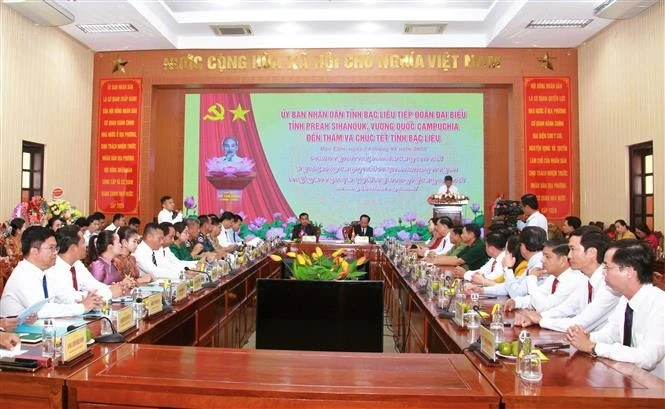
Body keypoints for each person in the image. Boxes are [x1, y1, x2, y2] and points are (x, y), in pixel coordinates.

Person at [566, 240, 664, 379]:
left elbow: (648, 358)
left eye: (607, 267)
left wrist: (593, 347)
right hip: (630, 380)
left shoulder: (659, 304)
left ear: (629, 271)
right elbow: (612, 334)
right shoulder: (625, 299)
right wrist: (585, 337)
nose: (603, 272)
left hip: (656, 388)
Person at [515, 226, 620, 333]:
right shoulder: (585, 278)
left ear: (591, 253)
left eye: (573, 249)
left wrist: (541, 320)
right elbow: (568, 308)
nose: (569, 255)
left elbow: (582, 324)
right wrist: (537, 317)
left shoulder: (610, 284)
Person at [0, 226, 102, 318]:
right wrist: (82, 307)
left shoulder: (44, 272)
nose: (55, 253)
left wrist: (85, 302)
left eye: (56, 248)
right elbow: (42, 311)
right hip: (16, 334)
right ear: (34, 251)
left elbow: (59, 300)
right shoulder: (23, 274)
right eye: (51, 248)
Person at [504, 238, 587, 314]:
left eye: (547, 257)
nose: (542, 260)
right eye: (543, 256)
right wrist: (516, 302)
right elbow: (538, 296)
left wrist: (531, 278)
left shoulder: (573, 280)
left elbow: (542, 306)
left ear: (563, 260)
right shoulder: (553, 278)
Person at [52, 225, 122, 301]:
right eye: (83, 243)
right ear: (73, 248)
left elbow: (93, 285)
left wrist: (117, 288)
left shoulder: (77, 264)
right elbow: (71, 298)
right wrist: (109, 292)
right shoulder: (54, 268)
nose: (86, 246)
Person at [478, 226, 546, 297]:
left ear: (523, 247)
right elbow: (510, 287)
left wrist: (508, 269)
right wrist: (482, 290)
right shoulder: (534, 262)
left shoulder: (539, 265)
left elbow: (516, 293)